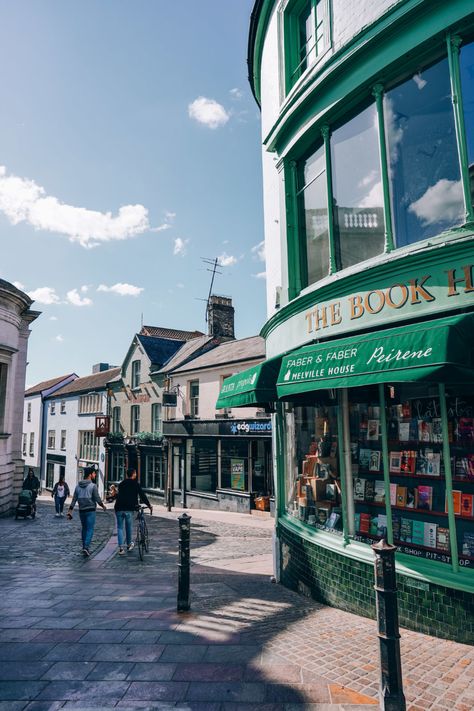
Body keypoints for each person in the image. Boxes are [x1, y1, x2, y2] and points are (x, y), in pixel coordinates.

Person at [67, 467, 107, 556]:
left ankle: (84, 546)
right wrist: (102, 505)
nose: (95, 475)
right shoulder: (93, 486)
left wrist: (70, 511)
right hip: (90, 510)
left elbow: (74, 499)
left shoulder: (78, 486)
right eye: (94, 473)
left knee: (84, 528)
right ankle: (86, 547)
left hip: (82, 511)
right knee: (90, 529)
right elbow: (97, 498)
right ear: (90, 475)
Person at [114, 467, 153, 555]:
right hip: (129, 508)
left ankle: (120, 548)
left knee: (120, 528)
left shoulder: (121, 484)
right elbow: (142, 495)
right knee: (128, 527)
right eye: (135, 473)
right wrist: (149, 505)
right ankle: (128, 544)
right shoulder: (135, 484)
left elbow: (119, 495)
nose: (136, 474)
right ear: (133, 474)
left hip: (119, 508)